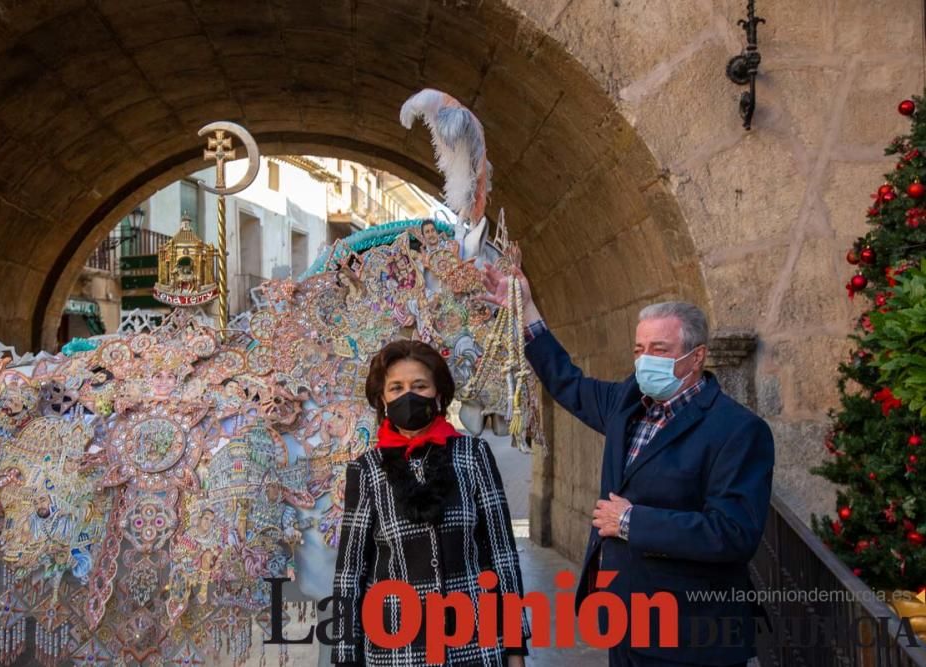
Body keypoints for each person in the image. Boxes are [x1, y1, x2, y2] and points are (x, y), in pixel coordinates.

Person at [481, 264, 774, 667]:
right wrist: (526, 309)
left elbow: (734, 532)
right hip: (625, 621)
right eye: (639, 350)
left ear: (697, 357)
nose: (645, 361)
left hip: (692, 635)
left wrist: (631, 522)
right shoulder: (628, 402)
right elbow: (568, 383)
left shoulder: (738, 430)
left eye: (660, 350)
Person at [332, 339, 529, 666]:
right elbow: (350, 572)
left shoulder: (473, 456)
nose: (407, 395)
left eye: (419, 385)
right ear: (383, 399)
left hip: (474, 644)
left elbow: (501, 554)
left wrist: (515, 647)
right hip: (397, 648)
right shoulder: (367, 470)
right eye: (396, 387)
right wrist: (345, 656)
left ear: (438, 394)